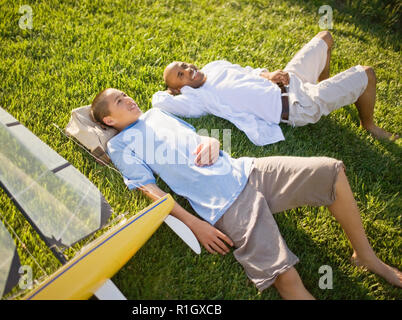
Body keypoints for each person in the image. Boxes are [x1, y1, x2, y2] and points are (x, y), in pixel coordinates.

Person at [90, 88, 401, 299]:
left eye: (125, 95)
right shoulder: (121, 145)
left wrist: (214, 143)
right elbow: (150, 190)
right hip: (226, 205)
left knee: (332, 171)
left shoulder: (157, 115)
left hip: (248, 170)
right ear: (109, 121)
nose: (128, 99)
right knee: (287, 277)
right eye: (119, 101)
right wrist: (195, 224)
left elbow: (198, 138)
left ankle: (366, 256)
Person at [152, 31, 399, 146]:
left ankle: (323, 85)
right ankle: (368, 125)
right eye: (180, 76)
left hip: (290, 80)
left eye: (183, 65)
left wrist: (269, 75)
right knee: (367, 73)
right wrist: (174, 92)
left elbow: (247, 71)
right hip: (296, 105)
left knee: (326, 37)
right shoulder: (199, 98)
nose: (188, 71)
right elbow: (160, 102)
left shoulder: (215, 66)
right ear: (179, 89)